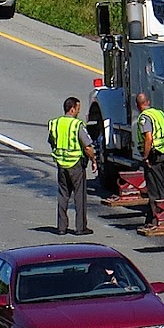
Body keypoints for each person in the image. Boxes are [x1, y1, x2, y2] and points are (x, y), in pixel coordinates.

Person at [49, 96, 97, 235]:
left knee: (63, 196)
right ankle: (80, 227)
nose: (78, 112)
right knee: (79, 196)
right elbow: (87, 146)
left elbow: (52, 141)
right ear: (72, 109)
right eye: (78, 109)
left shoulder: (55, 123)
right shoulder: (77, 125)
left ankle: (61, 227)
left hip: (61, 164)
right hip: (76, 164)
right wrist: (93, 160)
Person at [135, 93, 164, 231]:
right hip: (162, 152)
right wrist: (162, 138)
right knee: (161, 184)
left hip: (153, 155)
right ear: (148, 102)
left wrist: (145, 156)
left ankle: (157, 219)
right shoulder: (158, 113)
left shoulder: (144, 117)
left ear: (138, 105)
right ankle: (160, 216)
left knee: (153, 189)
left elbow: (148, 138)